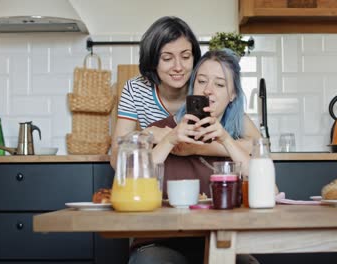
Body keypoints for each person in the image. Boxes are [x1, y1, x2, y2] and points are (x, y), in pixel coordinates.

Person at [128, 49, 261, 264]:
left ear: (232, 95)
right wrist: (170, 140)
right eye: (201, 82)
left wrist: (226, 141)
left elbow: (267, 189)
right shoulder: (162, 130)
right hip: (160, 242)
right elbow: (131, 183)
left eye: (219, 85)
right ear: (192, 88)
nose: (208, 90)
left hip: (218, 241)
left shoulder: (235, 141)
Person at [111, 16, 260, 170]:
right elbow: (118, 159)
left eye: (185, 56)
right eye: (167, 58)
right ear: (153, 61)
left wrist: (195, 147)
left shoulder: (203, 87)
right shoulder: (136, 89)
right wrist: (148, 136)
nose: (178, 67)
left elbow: (257, 145)